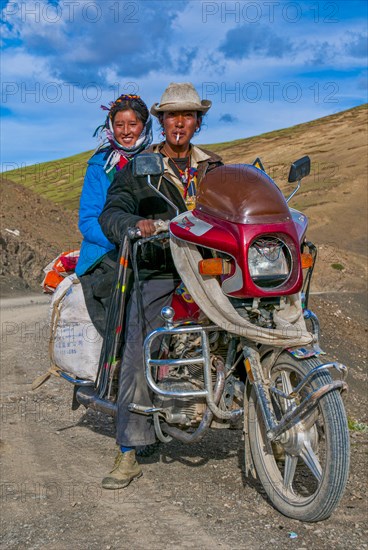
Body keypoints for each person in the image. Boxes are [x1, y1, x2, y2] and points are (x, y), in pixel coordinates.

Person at [99, 82, 223, 489]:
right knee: (140, 345)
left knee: (254, 325)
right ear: (162, 121)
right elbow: (112, 211)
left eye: (188, 115)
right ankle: (128, 451)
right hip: (159, 269)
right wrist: (136, 225)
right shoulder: (140, 166)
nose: (179, 123)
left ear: (198, 122)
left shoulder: (216, 168)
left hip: (208, 270)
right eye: (172, 115)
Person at [75, 94, 153, 335]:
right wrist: (124, 239)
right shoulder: (99, 166)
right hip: (106, 249)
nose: (126, 131)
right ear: (111, 127)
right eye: (119, 125)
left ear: (145, 126)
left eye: (133, 124)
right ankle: (119, 358)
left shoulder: (156, 161)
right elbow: (88, 221)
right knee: (115, 290)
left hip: (151, 246)